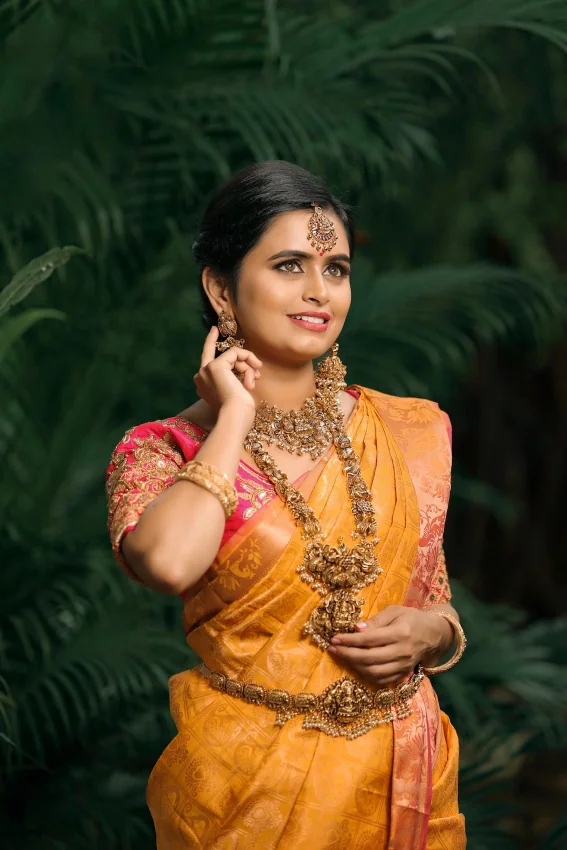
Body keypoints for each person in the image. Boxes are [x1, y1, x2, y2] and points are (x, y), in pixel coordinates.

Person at [106, 161, 467, 849]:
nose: (317, 292)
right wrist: (233, 418)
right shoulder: (162, 450)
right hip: (245, 794)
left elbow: (435, 599)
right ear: (220, 288)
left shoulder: (408, 431)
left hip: (398, 780)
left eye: (336, 268)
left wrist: (432, 637)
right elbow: (172, 563)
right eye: (288, 265)